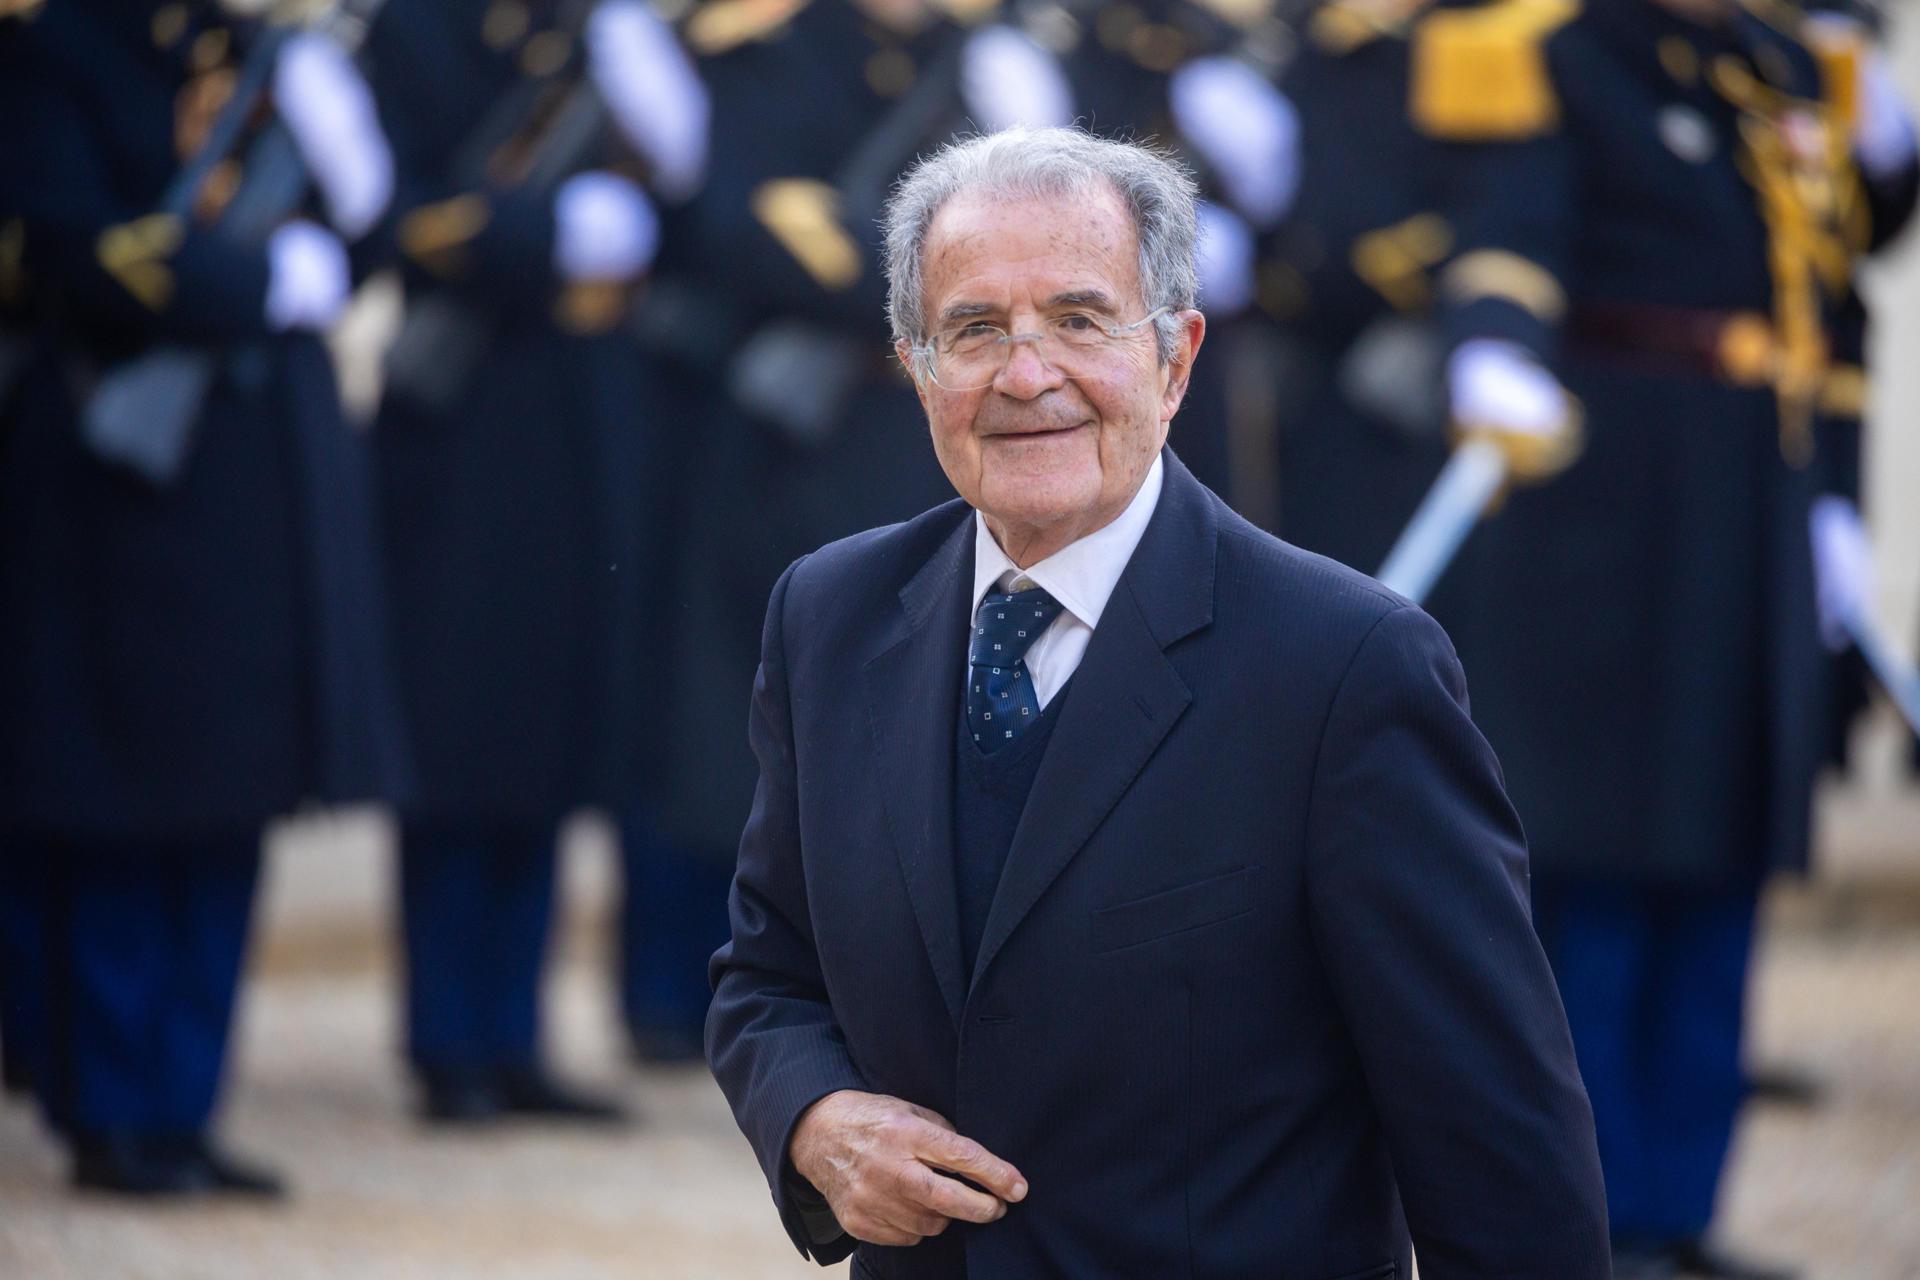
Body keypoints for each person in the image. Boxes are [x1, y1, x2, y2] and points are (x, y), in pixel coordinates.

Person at [705, 126, 1609, 1278]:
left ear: (1178, 359)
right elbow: (767, 974)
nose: (1027, 376)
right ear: (917, 364)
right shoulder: (830, 615)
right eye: (976, 329)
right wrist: (816, 1119)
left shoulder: (1345, 669)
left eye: (1080, 321)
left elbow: (1502, 1153)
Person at [1408, 0, 1918, 1273]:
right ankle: (1587, 1209)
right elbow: (1507, 236)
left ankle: (1683, 1206)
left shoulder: (1780, 63)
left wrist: (1839, 496)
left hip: (1757, 498)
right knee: (1600, 860)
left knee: (1726, 846)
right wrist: (1496, 351)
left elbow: (1835, 295)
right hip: (1611, 500)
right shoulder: (1560, 48)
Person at [0, 0, 411, 1195]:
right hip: (115, 471)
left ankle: (182, 1103)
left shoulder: (264, 57)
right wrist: (246, 280)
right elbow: (69, 243)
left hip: (250, 480)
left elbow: (364, 254)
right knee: (122, 795)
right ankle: (112, 1108)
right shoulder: (58, 49)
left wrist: (351, 173)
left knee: (227, 791)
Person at [621, 0, 1073, 1064]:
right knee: (767, 701)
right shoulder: (774, 47)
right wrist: (962, 279)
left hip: (925, 422)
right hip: (798, 443)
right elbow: (751, 227)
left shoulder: (978, 58)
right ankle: (707, 983)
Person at [358, 0, 706, 1122]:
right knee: (464, 729)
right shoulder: (417, 33)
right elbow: (391, 215)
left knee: (556, 724)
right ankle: (447, 1035)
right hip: (464, 415)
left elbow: (695, 194)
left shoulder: (600, 34)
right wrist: (538, 228)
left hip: (583, 409)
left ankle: (512, 1032)